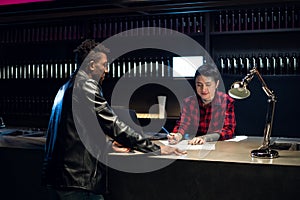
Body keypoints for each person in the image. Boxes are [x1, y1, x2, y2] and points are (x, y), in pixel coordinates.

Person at [42, 39, 186, 200]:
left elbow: (80, 130)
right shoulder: (86, 86)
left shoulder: (65, 88)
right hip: (76, 183)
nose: (107, 69)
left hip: (57, 179)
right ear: (91, 65)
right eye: (104, 64)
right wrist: (156, 149)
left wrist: (108, 145)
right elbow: (114, 125)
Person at [168, 63, 236, 145]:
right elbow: (183, 124)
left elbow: (228, 130)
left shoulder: (226, 101)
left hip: (219, 145)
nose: (204, 89)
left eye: (208, 85)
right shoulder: (189, 102)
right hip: (193, 145)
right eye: (199, 85)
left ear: (217, 84)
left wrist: (205, 138)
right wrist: (178, 135)